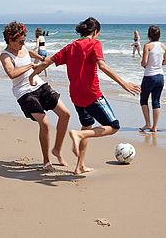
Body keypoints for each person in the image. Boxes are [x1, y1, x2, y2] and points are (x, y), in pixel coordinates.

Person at [30, 17, 141, 175]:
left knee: (87, 125)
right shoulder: (95, 44)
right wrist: (124, 84)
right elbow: (102, 65)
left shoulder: (70, 47)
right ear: (95, 32)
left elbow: (48, 61)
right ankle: (78, 134)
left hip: (76, 96)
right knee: (114, 126)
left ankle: (79, 166)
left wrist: (32, 74)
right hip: (92, 94)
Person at [0, 21, 71, 171]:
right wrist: (31, 66)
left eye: (24, 40)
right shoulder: (5, 56)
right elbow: (12, 73)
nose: (23, 44)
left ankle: (57, 149)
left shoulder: (23, 47)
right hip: (24, 92)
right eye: (20, 41)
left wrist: (44, 60)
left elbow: (32, 55)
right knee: (44, 123)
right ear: (10, 40)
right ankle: (47, 161)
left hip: (39, 85)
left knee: (65, 114)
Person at [139, 25, 166, 132]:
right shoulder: (163, 46)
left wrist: (145, 64)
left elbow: (144, 62)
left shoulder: (147, 46)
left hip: (149, 76)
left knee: (144, 100)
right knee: (156, 102)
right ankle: (155, 127)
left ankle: (148, 123)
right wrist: (158, 64)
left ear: (149, 36)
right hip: (160, 76)